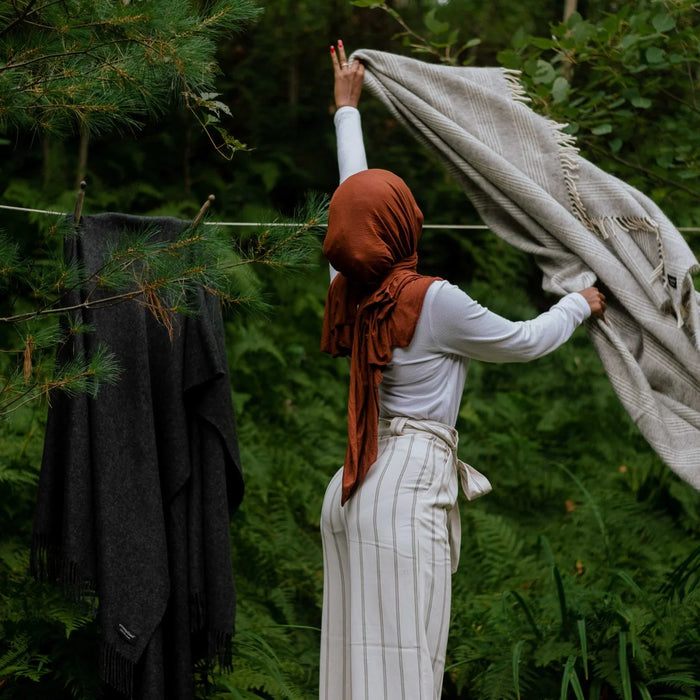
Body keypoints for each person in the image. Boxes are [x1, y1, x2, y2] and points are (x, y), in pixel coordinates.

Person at [319, 40, 607, 700]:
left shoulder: (347, 281)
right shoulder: (432, 300)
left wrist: (345, 110)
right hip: (402, 489)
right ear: (398, 224)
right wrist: (580, 302)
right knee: (404, 676)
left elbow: (351, 199)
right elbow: (525, 341)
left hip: (351, 487)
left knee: (354, 678)